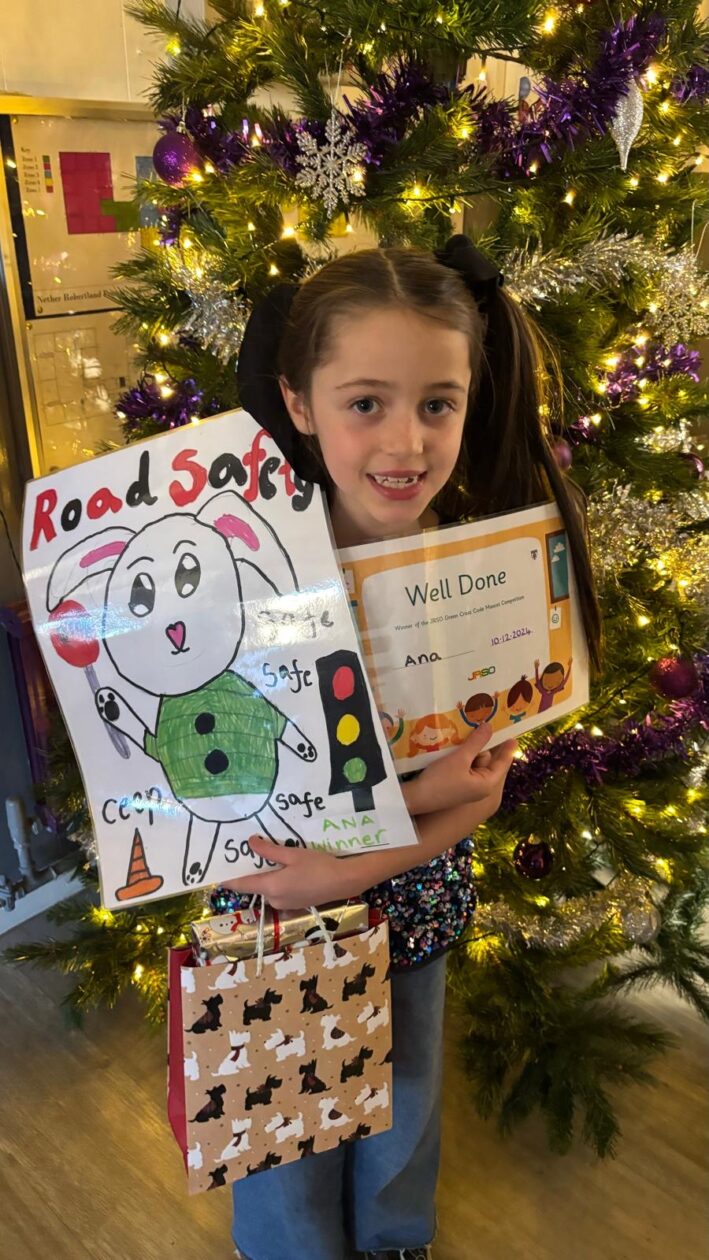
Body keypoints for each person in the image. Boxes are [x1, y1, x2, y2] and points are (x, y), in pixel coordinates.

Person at [223, 234, 602, 1260]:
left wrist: (350, 862)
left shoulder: (483, 574)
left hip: (407, 902)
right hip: (272, 909)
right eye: (365, 402)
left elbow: (480, 791)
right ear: (299, 403)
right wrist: (417, 800)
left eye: (437, 403)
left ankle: (395, 1244)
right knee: (284, 1121)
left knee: (402, 1101)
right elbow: (215, 780)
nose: (406, 440)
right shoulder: (241, 567)